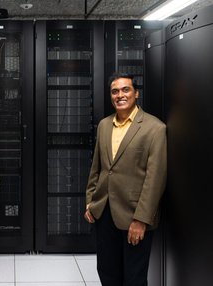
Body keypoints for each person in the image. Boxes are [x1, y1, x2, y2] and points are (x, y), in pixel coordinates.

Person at [84, 72, 167, 286]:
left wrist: (141, 220)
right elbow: (97, 168)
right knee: (107, 273)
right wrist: (90, 202)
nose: (119, 95)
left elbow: (155, 178)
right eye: (115, 91)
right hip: (104, 213)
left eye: (125, 89)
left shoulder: (154, 128)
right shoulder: (104, 125)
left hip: (134, 217)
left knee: (134, 278)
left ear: (136, 93)